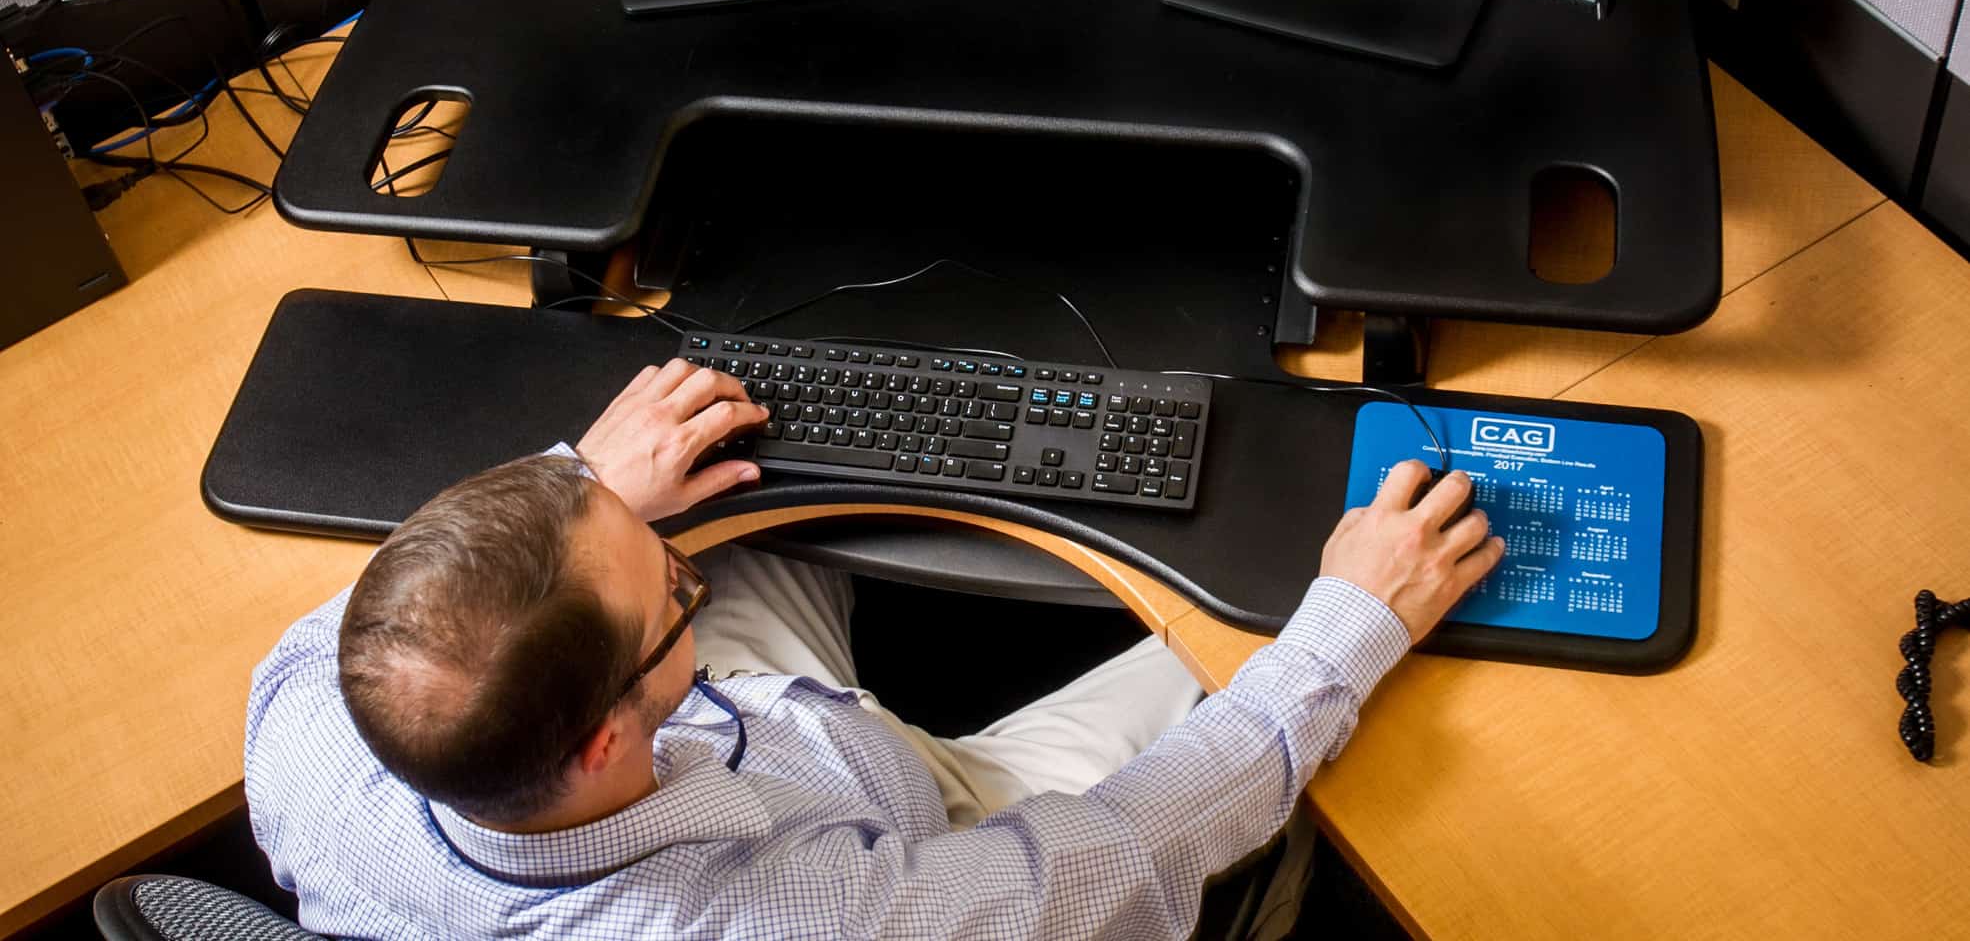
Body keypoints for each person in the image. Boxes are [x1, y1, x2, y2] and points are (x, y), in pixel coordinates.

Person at [246, 359, 1503, 939]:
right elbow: (1135, 841)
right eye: (667, 591)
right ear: (597, 734)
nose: (679, 562)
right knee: (1238, 650)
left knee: (752, 495)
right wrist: (1348, 618)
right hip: (916, 826)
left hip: (742, 731)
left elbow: (426, 594)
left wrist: (588, 480)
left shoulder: (320, 716)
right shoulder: (808, 919)